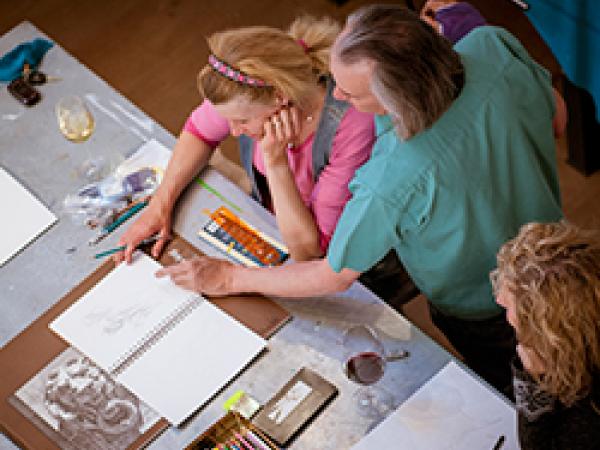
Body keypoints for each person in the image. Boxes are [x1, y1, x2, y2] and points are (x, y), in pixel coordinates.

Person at [155, 5, 564, 394]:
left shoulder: (391, 177)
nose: (339, 96)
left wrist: (229, 278)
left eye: (351, 95)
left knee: (526, 390)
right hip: (560, 253)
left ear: (394, 98)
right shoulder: (491, 44)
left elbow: (331, 274)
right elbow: (557, 118)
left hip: (487, 306)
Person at [115, 16, 375, 265]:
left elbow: (309, 249)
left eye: (242, 121)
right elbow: (199, 132)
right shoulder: (248, 92)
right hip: (270, 218)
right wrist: (160, 205)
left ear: (280, 97)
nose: (234, 131)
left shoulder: (352, 126)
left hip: (345, 260)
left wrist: (276, 163)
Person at [493, 221, 600, 449]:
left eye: (512, 304)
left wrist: (532, 377)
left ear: (552, 331)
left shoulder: (588, 416)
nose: (499, 300)